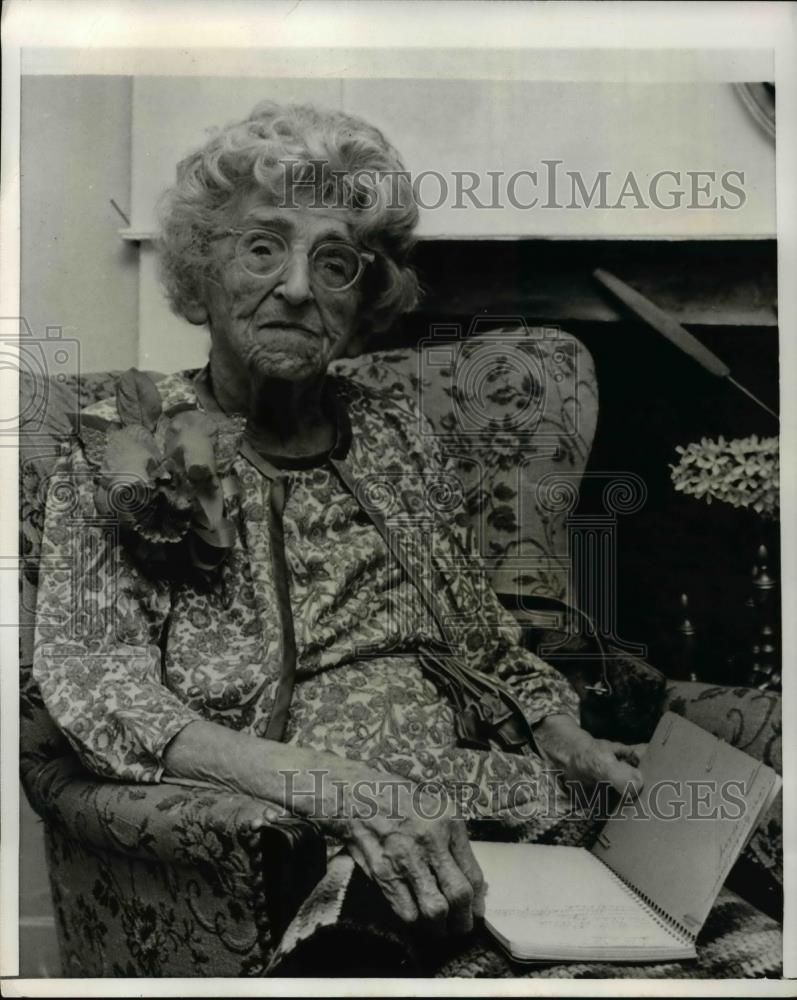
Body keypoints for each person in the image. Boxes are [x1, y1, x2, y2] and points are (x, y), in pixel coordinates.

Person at [33, 101, 644, 941]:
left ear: (365, 298)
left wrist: (560, 730)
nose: (294, 287)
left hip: (480, 796)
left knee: (698, 861)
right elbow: (98, 686)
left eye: (334, 264)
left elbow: (480, 639)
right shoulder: (124, 443)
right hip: (294, 823)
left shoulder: (396, 428)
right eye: (260, 248)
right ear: (201, 272)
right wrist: (337, 787)